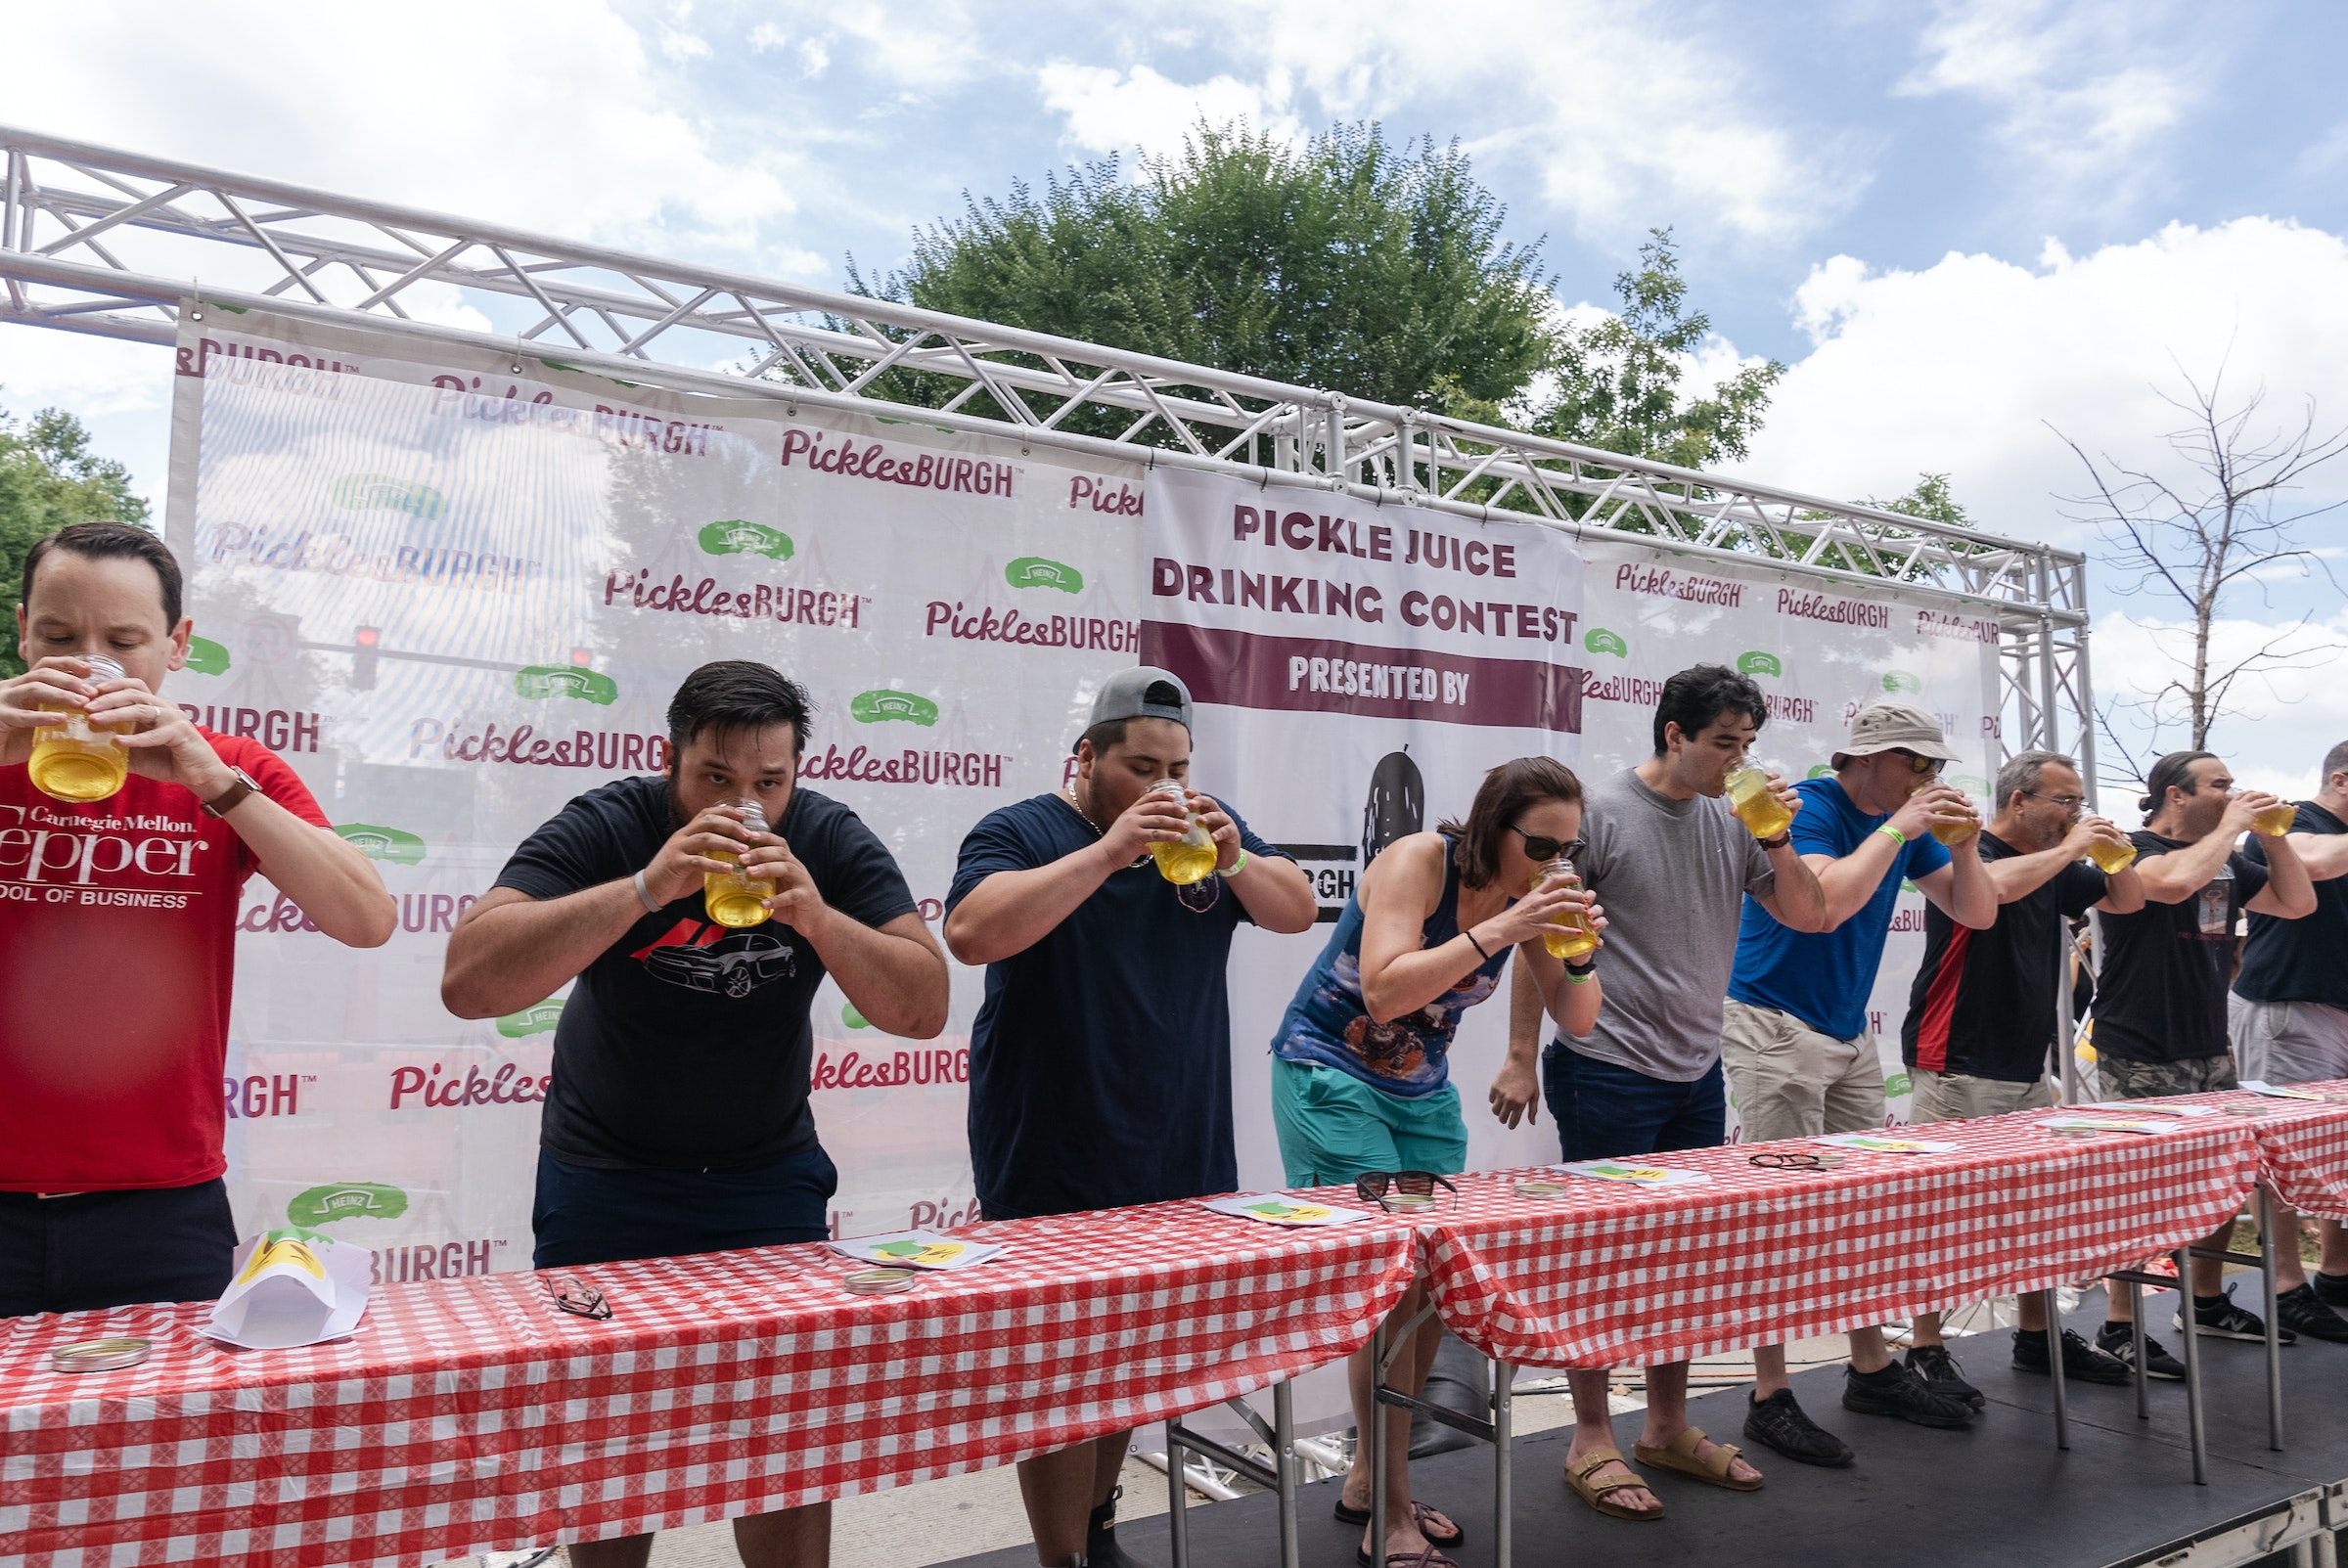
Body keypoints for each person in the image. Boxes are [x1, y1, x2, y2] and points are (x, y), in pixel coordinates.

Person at [443, 660, 950, 1568]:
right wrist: (646, 886)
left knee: (782, 1445)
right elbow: (470, 978)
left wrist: (819, 917)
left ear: (797, 774)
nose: (745, 804)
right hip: (605, 1171)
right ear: (667, 759)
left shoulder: (825, 837)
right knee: (608, 1440)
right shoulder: (614, 822)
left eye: (769, 783)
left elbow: (924, 1008)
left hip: (764, 1170)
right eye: (716, 778)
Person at [943, 667, 1316, 1568]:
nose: (1165, 789)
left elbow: (1298, 908)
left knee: (1127, 1358)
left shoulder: (1204, 823)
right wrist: (1109, 851)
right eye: (1141, 767)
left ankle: (1096, 1529)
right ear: (1086, 759)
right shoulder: (1025, 828)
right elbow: (970, 932)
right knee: (1063, 1367)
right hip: (1052, 1132)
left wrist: (1235, 857)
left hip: (1175, 1130)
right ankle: (1058, 1555)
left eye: (1178, 768)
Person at [0, 521, 394, 1319]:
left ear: (177, 645)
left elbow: (366, 917)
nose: (88, 662)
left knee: (163, 1441)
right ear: (21, 633)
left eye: (123, 639)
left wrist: (216, 784)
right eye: (58, 635)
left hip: (160, 1203)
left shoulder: (229, 768)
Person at [1489, 664, 1826, 1520]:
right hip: (1604, 1062)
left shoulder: (1737, 818)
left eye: (1748, 743)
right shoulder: (1599, 813)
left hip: (1693, 1067)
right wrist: (1524, 1052)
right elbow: (1546, 933)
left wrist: (1781, 837)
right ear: (1673, 733)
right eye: (1724, 742)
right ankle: (1592, 1434)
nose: (1738, 758)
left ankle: (1666, 1424)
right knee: (1601, 1252)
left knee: (1677, 1251)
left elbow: (1806, 912)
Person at [1273, 755, 1596, 1557]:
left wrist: (1580, 950)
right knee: (1386, 1290)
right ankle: (1390, 1507)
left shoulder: (1530, 896)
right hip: (1329, 1071)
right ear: (1495, 825)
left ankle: (1372, 1482)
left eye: (1571, 849)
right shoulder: (1421, 859)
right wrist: (1505, 929)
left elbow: (1581, 1019)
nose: (1559, 863)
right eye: (1545, 845)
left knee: (1424, 1299)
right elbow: (1384, 990)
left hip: (1421, 1091)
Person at [1722, 700, 1996, 1460]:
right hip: (1774, 1022)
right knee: (1773, 1213)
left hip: (1845, 1031)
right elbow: (1824, 906)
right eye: (1920, 763)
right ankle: (1769, 1391)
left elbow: (1977, 912)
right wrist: (1900, 828)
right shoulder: (1805, 805)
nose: (1932, 778)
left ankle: (1871, 1365)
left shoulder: (1899, 825)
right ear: (1869, 757)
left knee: (1863, 1204)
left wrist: (1965, 846)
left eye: (1938, 767)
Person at [1894, 750, 2145, 1384]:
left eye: (2080, 802)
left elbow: (2130, 901)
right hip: (1958, 1053)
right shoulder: (1972, 853)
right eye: (2064, 801)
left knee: (2033, 1207)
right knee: (1942, 1209)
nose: (2074, 814)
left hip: (2025, 1058)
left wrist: (2115, 850)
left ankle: (2036, 1336)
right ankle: (1925, 1347)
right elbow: (1996, 891)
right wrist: (2072, 847)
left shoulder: (2058, 860)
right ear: (2018, 802)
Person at [2088, 750, 2318, 1375]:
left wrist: (2274, 839)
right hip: (2138, 1042)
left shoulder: (2229, 857)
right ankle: (2119, 1323)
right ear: (2175, 794)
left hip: (2209, 1043)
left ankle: (2207, 1298)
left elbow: (2297, 904)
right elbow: (2173, 883)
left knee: (2226, 1180)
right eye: (2219, 785)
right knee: (2137, 1191)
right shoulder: (2130, 847)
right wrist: (2233, 827)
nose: (2232, 791)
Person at [2232, 739, 2348, 1338]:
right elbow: (2315, 864)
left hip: (2335, 1006)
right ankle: (2285, 1284)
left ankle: (2335, 1270)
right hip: (2288, 1006)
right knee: (2279, 1152)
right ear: (2343, 781)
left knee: (2340, 1150)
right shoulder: (2289, 822)